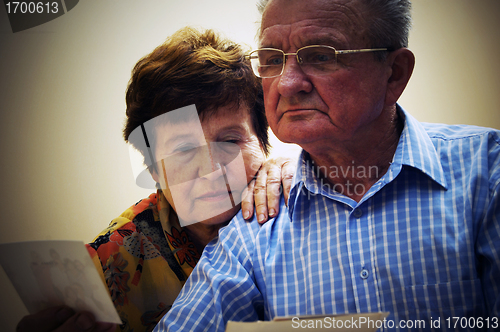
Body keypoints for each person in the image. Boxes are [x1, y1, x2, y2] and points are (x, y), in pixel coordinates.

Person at [156, 0, 500, 331]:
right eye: (272, 59)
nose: (287, 84)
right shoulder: (255, 225)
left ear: (394, 74)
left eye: (321, 56)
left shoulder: (486, 173)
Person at [16, 27, 296, 332]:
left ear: (263, 145)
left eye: (229, 141)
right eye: (184, 149)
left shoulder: (303, 201)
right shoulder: (101, 271)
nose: (211, 168)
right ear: (153, 170)